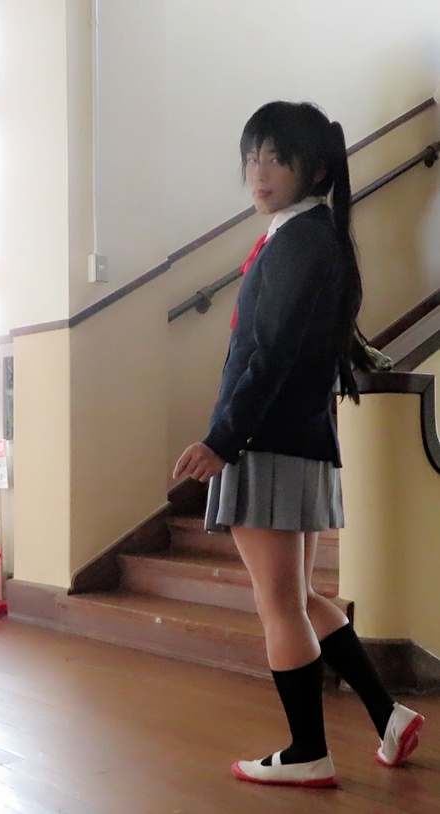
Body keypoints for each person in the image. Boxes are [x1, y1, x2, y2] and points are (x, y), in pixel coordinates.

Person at [172, 101, 424, 788]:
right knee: (303, 595)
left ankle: (307, 751)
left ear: (313, 169)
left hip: (267, 442)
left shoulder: (300, 242)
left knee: (278, 604)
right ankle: (388, 717)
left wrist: (223, 438)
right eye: (252, 159)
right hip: (300, 440)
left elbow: (274, 353)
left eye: (275, 160)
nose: (258, 173)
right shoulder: (313, 237)